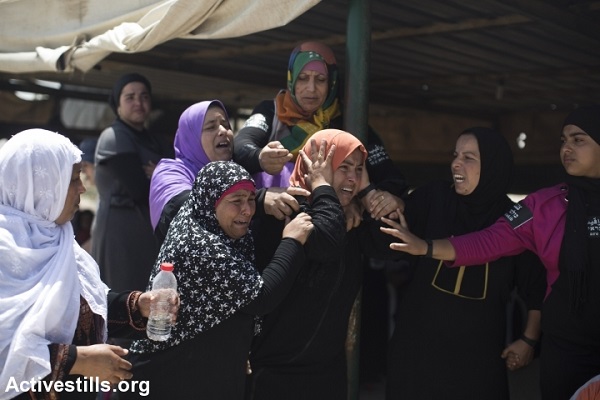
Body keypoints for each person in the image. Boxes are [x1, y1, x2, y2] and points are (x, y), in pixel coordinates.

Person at [380, 105, 600, 400]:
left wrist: (528, 339)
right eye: (563, 140)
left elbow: (532, 285)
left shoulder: (514, 208)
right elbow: (489, 241)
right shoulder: (538, 207)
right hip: (567, 349)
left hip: (481, 358)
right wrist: (425, 246)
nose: (566, 148)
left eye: (578, 139)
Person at [0, 129, 178, 400]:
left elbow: (85, 307)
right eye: (72, 179)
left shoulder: (60, 239)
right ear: (39, 187)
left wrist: (140, 305)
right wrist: (78, 360)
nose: (83, 187)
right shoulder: (6, 251)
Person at [124, 159, 322, 399]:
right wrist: (292, 242)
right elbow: (261, 297)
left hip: (204, 368)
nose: (247, 210)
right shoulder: (200, 243)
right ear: (211, 203)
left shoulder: (202, 215)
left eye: (250, 199)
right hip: (171, 372)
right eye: (236, 201)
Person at [385, 127, 546, 399]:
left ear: (493, 166)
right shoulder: (433, 197)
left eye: (469, 157)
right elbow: (391, 231)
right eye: (455, 155)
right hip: (416, 355)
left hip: (477, 364)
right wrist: (385, 201)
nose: (456, 163)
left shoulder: (513, 221)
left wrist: (528, 340)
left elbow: (537, 289)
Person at [246, 129, 402, 400]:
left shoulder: (350, 219)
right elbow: (325, 244)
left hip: (326, 374)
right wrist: (321, 185)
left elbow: (389, 245)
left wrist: (365, 191)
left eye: (359, 169)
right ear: (314, 169)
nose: (352, 178)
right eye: (342, 168)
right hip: (275, 373)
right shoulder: (287, 212)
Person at [233, 40, 407, 220]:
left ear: (332, 83)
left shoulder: (348, 121)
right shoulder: (272, 111)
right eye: (302, 78)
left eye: (320, 79)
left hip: (328, 222)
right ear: (291, 78)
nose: (311, 88)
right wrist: (260, 157)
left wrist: (354, 199)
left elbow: (391, 177)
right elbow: (240, 147)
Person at [149, 100, 309, 244]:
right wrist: (259, 200)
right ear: (190, 138)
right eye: (210, 127)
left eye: (226, 125)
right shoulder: (170, 171)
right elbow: (180, 207)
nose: (222, 131)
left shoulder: (241, 173)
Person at [92, 73, 173, 292]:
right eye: (130, 97)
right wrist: (164, 175)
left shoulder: (157, 140)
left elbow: (179, 181)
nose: (138, 102)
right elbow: (138, 188)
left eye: (144, 96)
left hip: (150, 233)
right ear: (117, 105)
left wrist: (159, 173)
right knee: (123, 297)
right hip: (120, 233)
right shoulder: (114, 137)